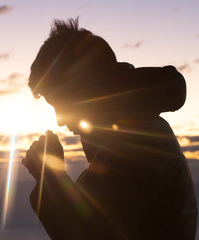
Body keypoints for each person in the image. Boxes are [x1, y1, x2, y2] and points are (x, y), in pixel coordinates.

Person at [22, 18, 197, 240]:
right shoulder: (129, 136)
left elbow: (87, 234)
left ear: (85, 90)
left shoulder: (133, 149)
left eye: (61, 104)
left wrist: (50, 177)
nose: (59, 121)